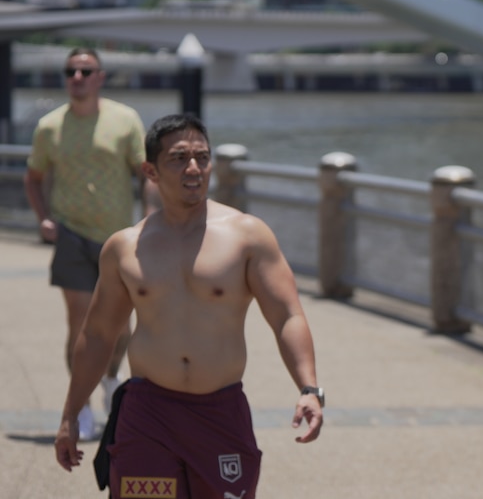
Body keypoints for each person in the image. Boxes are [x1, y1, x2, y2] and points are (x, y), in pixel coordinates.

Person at [54, 113, 324, 498]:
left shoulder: (247, 236)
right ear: (150, 170)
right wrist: (70, 415)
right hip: (148, 415)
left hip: (220, 413)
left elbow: (287, 316)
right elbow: (98, 335)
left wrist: (309, 388)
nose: (194, 168)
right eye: (179, 158)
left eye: (202, 157)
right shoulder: (125, 247)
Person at [24, 47, 159, 441]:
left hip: (118, 240)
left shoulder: (125, 119)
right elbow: (33, 177)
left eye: (85, 71)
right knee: (81, 324)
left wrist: (151, 218)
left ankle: (111, 380)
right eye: (71, 71)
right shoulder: (49, 126)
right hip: (71, 235)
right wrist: (43, 218)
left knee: (121, 326)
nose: (77, 78)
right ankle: (79, 404)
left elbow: (146, 173)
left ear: (100, 76)